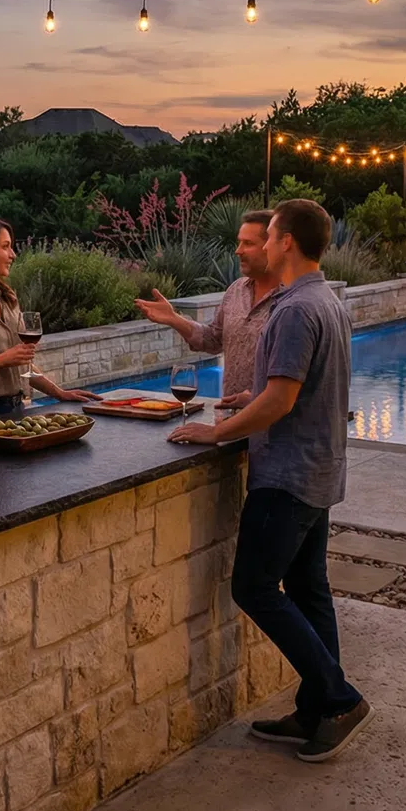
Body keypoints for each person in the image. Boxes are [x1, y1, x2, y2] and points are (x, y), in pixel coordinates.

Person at [167, 199, 371, 763]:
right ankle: (315, 711)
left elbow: (281, 401)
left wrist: (218, 432)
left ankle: (339, 698)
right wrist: (250, 396)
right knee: (309, 590)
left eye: (270, 234)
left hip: (286, 473)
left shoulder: (293, 311)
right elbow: (295, 388)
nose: (261, 244)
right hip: (321, 468)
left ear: (285, 243)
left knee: (254, 587)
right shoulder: (325, 301)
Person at [0, 216, 102, 425]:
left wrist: (59, 393)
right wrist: (1, 360)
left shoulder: (8, 298)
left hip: (15, 410)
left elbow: (22, 365)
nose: (12, 255)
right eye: (5, 247)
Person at [133, 208, 279, 410]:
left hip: (273, 427)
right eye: (239, 242)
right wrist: (174, 319)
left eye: (248, 243)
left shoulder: (293, 302)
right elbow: (213, 340)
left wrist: (257, 400)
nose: (238, 250)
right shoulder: (236, 290)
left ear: (273, 245)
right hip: (230, 421)